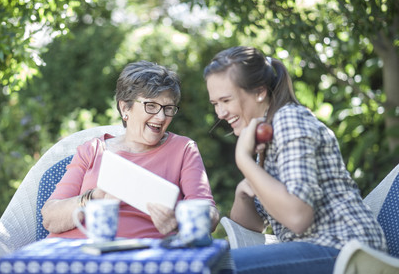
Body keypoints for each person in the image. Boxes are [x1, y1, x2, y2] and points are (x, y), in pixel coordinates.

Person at [204, 46, 387, 273]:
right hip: (316, 250)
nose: (220, 113)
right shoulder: (265, 136)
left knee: (216, 266)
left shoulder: (289, 120)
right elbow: (249, 227)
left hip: (346, 250)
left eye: (226, 100)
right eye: (215, 104)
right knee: (212, 261)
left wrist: (243, 160)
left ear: (260, 92)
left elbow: (298, 217)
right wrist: (244, 192)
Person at [42, 60, 220, 239]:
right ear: (125, 107)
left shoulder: (183, 149)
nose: (161, 116)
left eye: (168, 108)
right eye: (151, 105)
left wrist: (179, 221)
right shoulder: (93, 149)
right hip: (70, 253)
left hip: (139, 259)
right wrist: (93, 198)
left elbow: (210, 215)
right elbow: (49, 218)